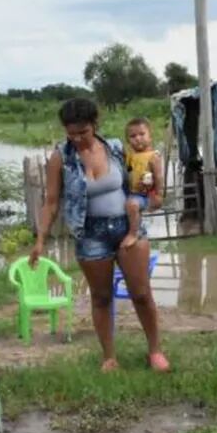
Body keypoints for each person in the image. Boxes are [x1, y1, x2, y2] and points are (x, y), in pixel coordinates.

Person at [30, 98, 169, 373]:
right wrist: (40, 240)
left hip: (126, 228)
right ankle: (109, 357)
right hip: (90, 234)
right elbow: (51, 201)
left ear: (95, 125)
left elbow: (141, 177)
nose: (78, 138)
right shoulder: (61, 157)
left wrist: (153, 193)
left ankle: (155, 351)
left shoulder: (116, 148)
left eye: (84, 131)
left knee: (141, 293)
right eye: (72, 133)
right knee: (101, 297)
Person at [122, 117, 164, 250]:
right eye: (133, 136)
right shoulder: (130, 156)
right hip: (131, 192)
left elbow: (159, 177)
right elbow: (127, 171)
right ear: (128, 140)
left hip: (144, 195)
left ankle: (133, 234)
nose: (138, 138)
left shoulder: (153, 156)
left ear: (150, 137)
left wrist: (158, 195)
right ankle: (137, 234)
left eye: (142, 134)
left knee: (132, 205)